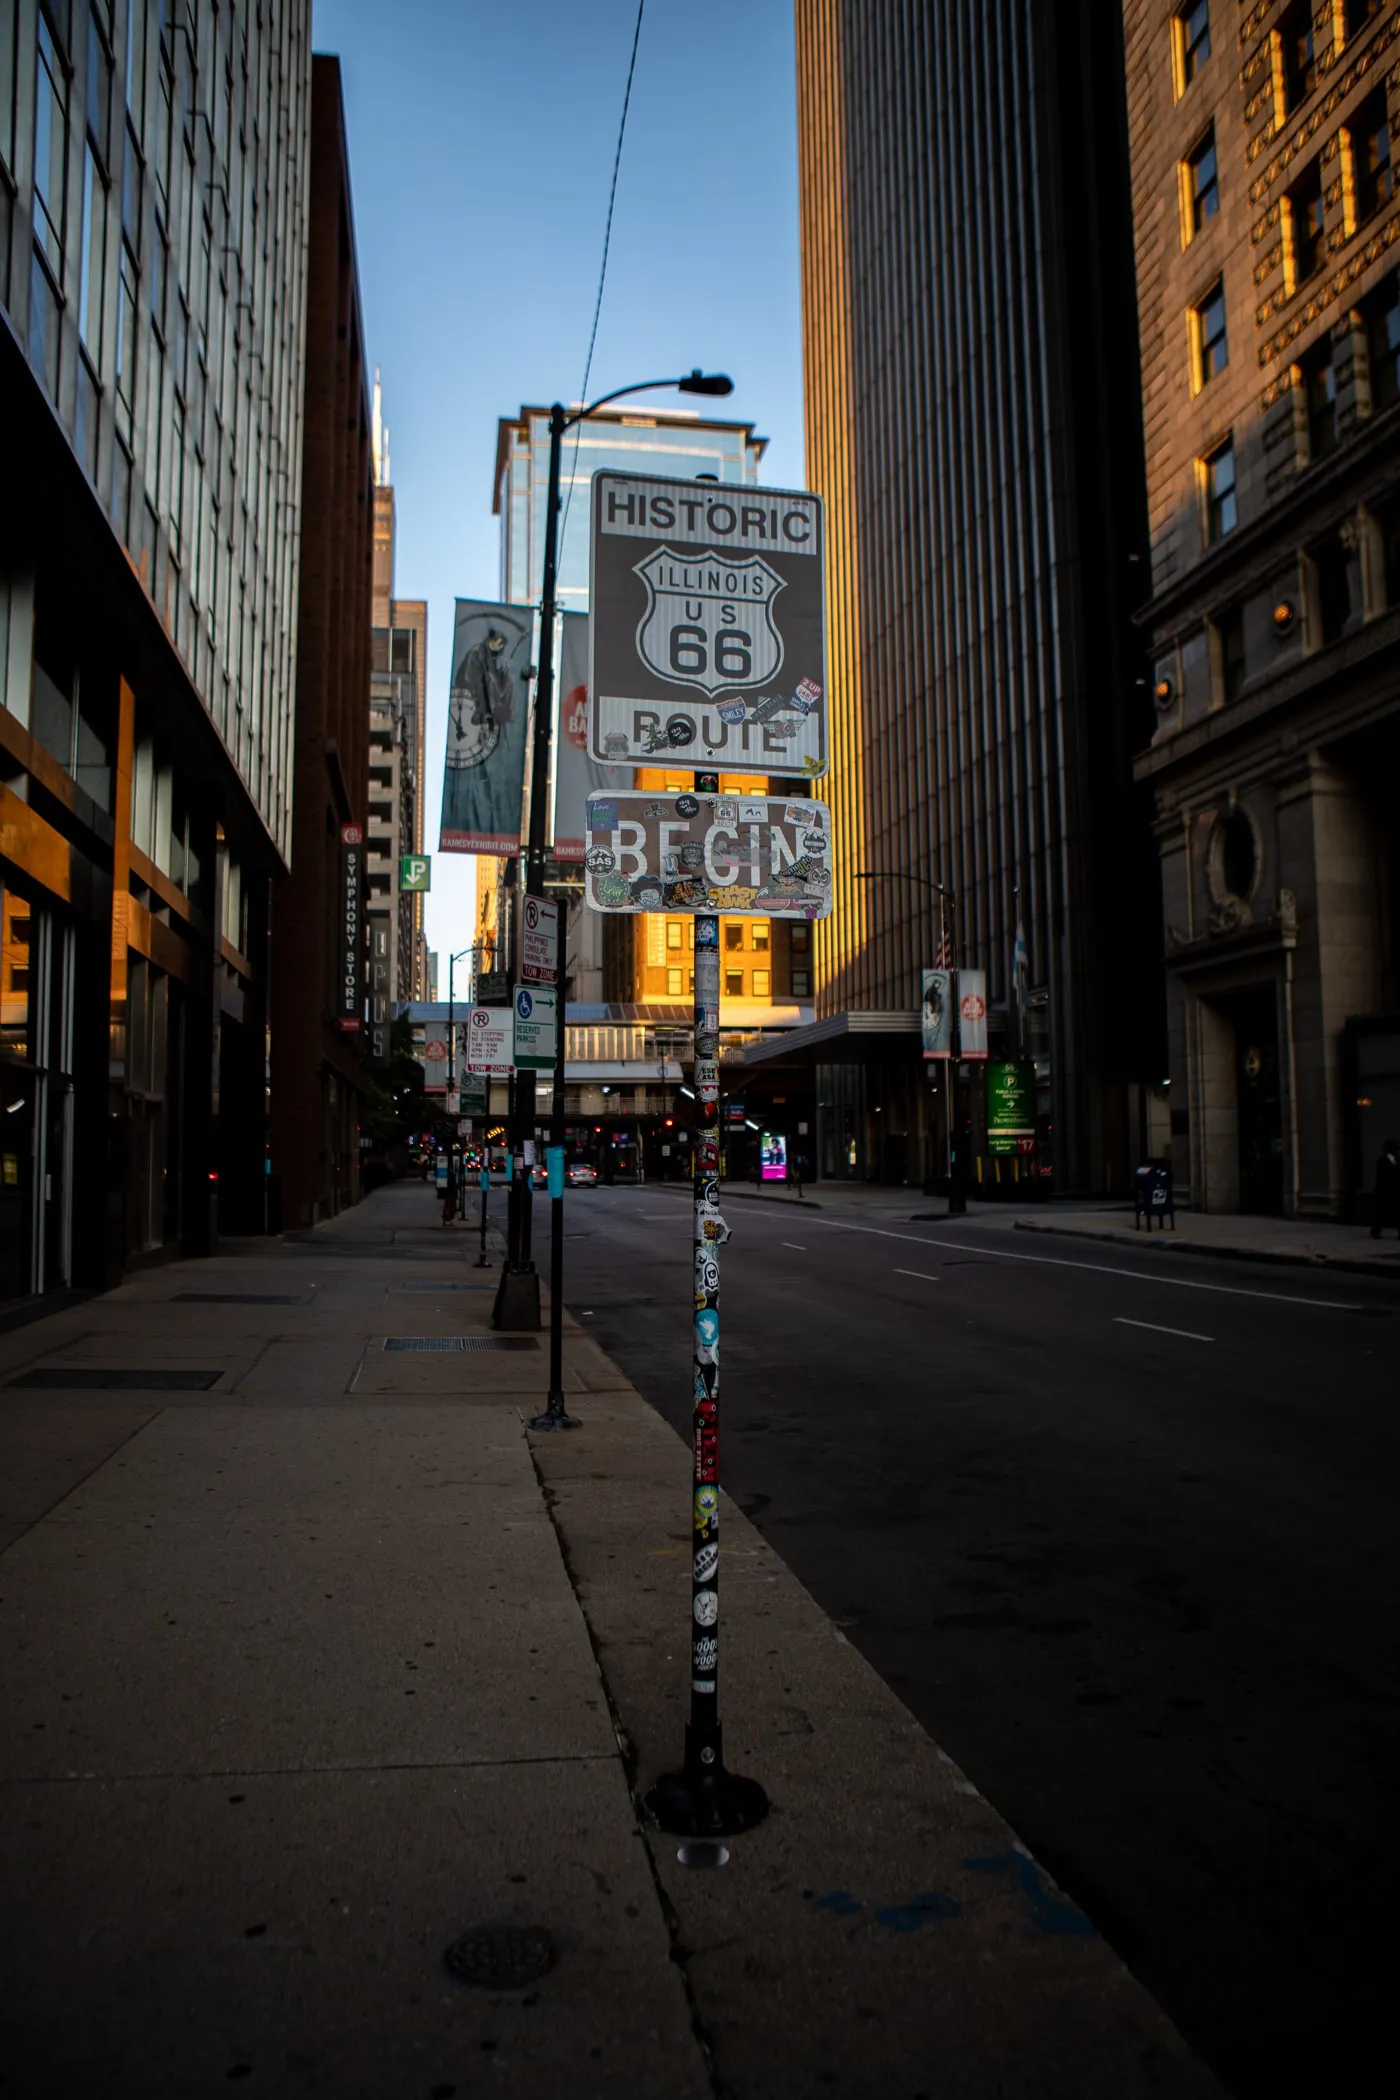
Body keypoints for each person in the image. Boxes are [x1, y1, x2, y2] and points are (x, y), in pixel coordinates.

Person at [1371, 1135, 1400, 1239]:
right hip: (1384, 1191)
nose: (1397, 1149)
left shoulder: (1397, 1160)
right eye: (1395, 1147)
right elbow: (1382, 1176)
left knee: (1397, 1212)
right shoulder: (1383, 1160)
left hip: (1395, 1191)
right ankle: (1375, 1231)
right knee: (1382, 1213)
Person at [442, 1164, 458, 1228]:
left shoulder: (449, 1172)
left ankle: (446, 1219)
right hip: (450, 1191)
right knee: (450, 1206)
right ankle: (447, 1219)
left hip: (449, 1190)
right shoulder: (451, 1172)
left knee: (448, 1205)